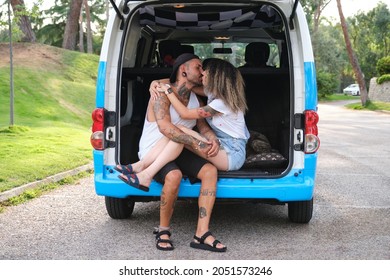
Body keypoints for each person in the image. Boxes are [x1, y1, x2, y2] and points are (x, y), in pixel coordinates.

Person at [117, 53, 226, 252]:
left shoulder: (196, 99)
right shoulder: (161, 95)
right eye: (198, 67)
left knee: (210, 170)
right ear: (183, 71)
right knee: (174, 175)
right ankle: (163, 230)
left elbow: (202, 127)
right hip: (155, 150)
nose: (203, 72)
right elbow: (166, 129)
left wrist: (212, 139)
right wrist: (197, 144)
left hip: (180, 147)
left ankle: (201, 232)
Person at [152, 57, 250, 171]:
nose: (202, 72)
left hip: (232, 155)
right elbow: (187, 85)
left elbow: (185, 114)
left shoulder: (222, 103)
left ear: (214, 77)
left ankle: (147, 170)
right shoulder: (212, 93)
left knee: (178, 131)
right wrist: (155, 82)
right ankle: (142, 165)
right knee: (177, 133)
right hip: (223, 144)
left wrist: (167, 91)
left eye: (205, 71)